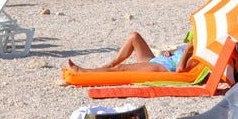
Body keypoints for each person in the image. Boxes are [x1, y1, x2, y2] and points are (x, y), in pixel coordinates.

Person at [66, 31, 195, 74]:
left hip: (162, 67)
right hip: (158, 59)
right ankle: (109, 64)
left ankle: (85, 72)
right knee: (134, 36)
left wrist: (188, 50)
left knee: (121, 68)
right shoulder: (190, 46)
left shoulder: (197, 54)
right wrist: (170, 52)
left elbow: (180, 69)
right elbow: (176, 54)